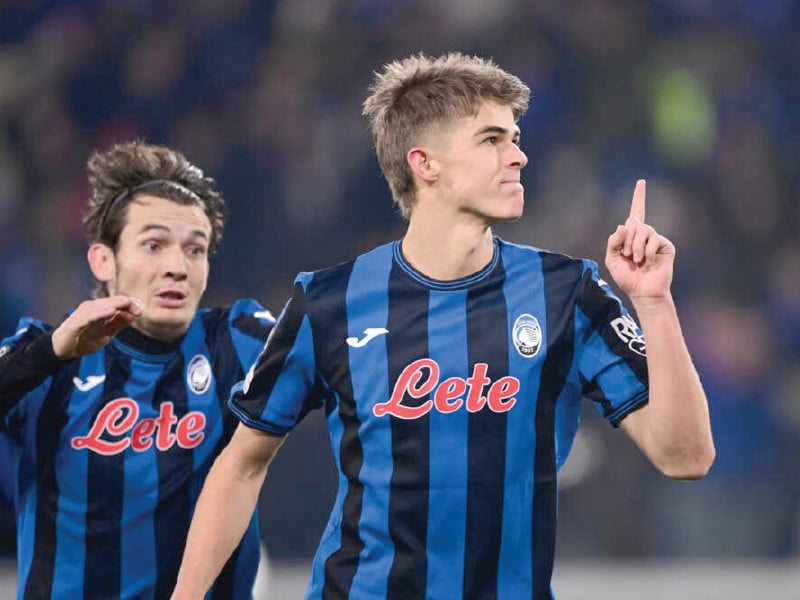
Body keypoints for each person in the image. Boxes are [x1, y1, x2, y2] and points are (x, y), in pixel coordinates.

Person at [171, 52, 715, 600]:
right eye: (492, 140)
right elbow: (240, 466)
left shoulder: (566, 292)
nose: (519, 156)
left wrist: (654, 301)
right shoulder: (328, 301)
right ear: (425, 163)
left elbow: (686, 456)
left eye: (516, 138)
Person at [0, 140, 275, 599]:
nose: (176, 267)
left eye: (195, 249)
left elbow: (351, 356)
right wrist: (50, 352)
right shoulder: (43, 362)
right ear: (103, 260)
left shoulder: (238, 343)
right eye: (154, 244)